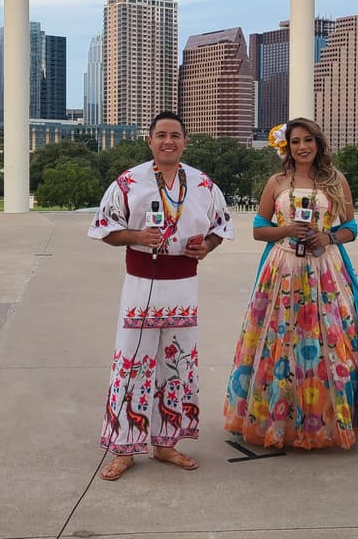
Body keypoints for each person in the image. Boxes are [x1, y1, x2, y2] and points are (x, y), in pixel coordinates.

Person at [224, 117, 358, 449]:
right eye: (295, 142)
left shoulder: (335, 181)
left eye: (308, 140)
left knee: (329, 342)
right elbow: (259, 229)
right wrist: (287, 230)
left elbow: (352, 229)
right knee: (279, 342)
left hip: (325, 270)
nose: (302, 147)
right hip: (282, 271)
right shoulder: (276, 182)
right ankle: (277, 418)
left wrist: (327, 237)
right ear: (287, 147)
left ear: (318, 144)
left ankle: (325, 419)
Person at [89, 111, 234, 480]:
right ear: (150, 140)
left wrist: (207, 248)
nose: (168, 141)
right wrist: (137, 236)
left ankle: (166, 443)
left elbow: (221, 227)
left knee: (177, 364)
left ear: (185, 141)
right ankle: (124, 449)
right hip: (141, 285)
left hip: (184, 286)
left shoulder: (203, 184)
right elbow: (105, 229)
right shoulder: (128, 182)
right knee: (133, 361)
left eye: (176, 135)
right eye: (161, 135)